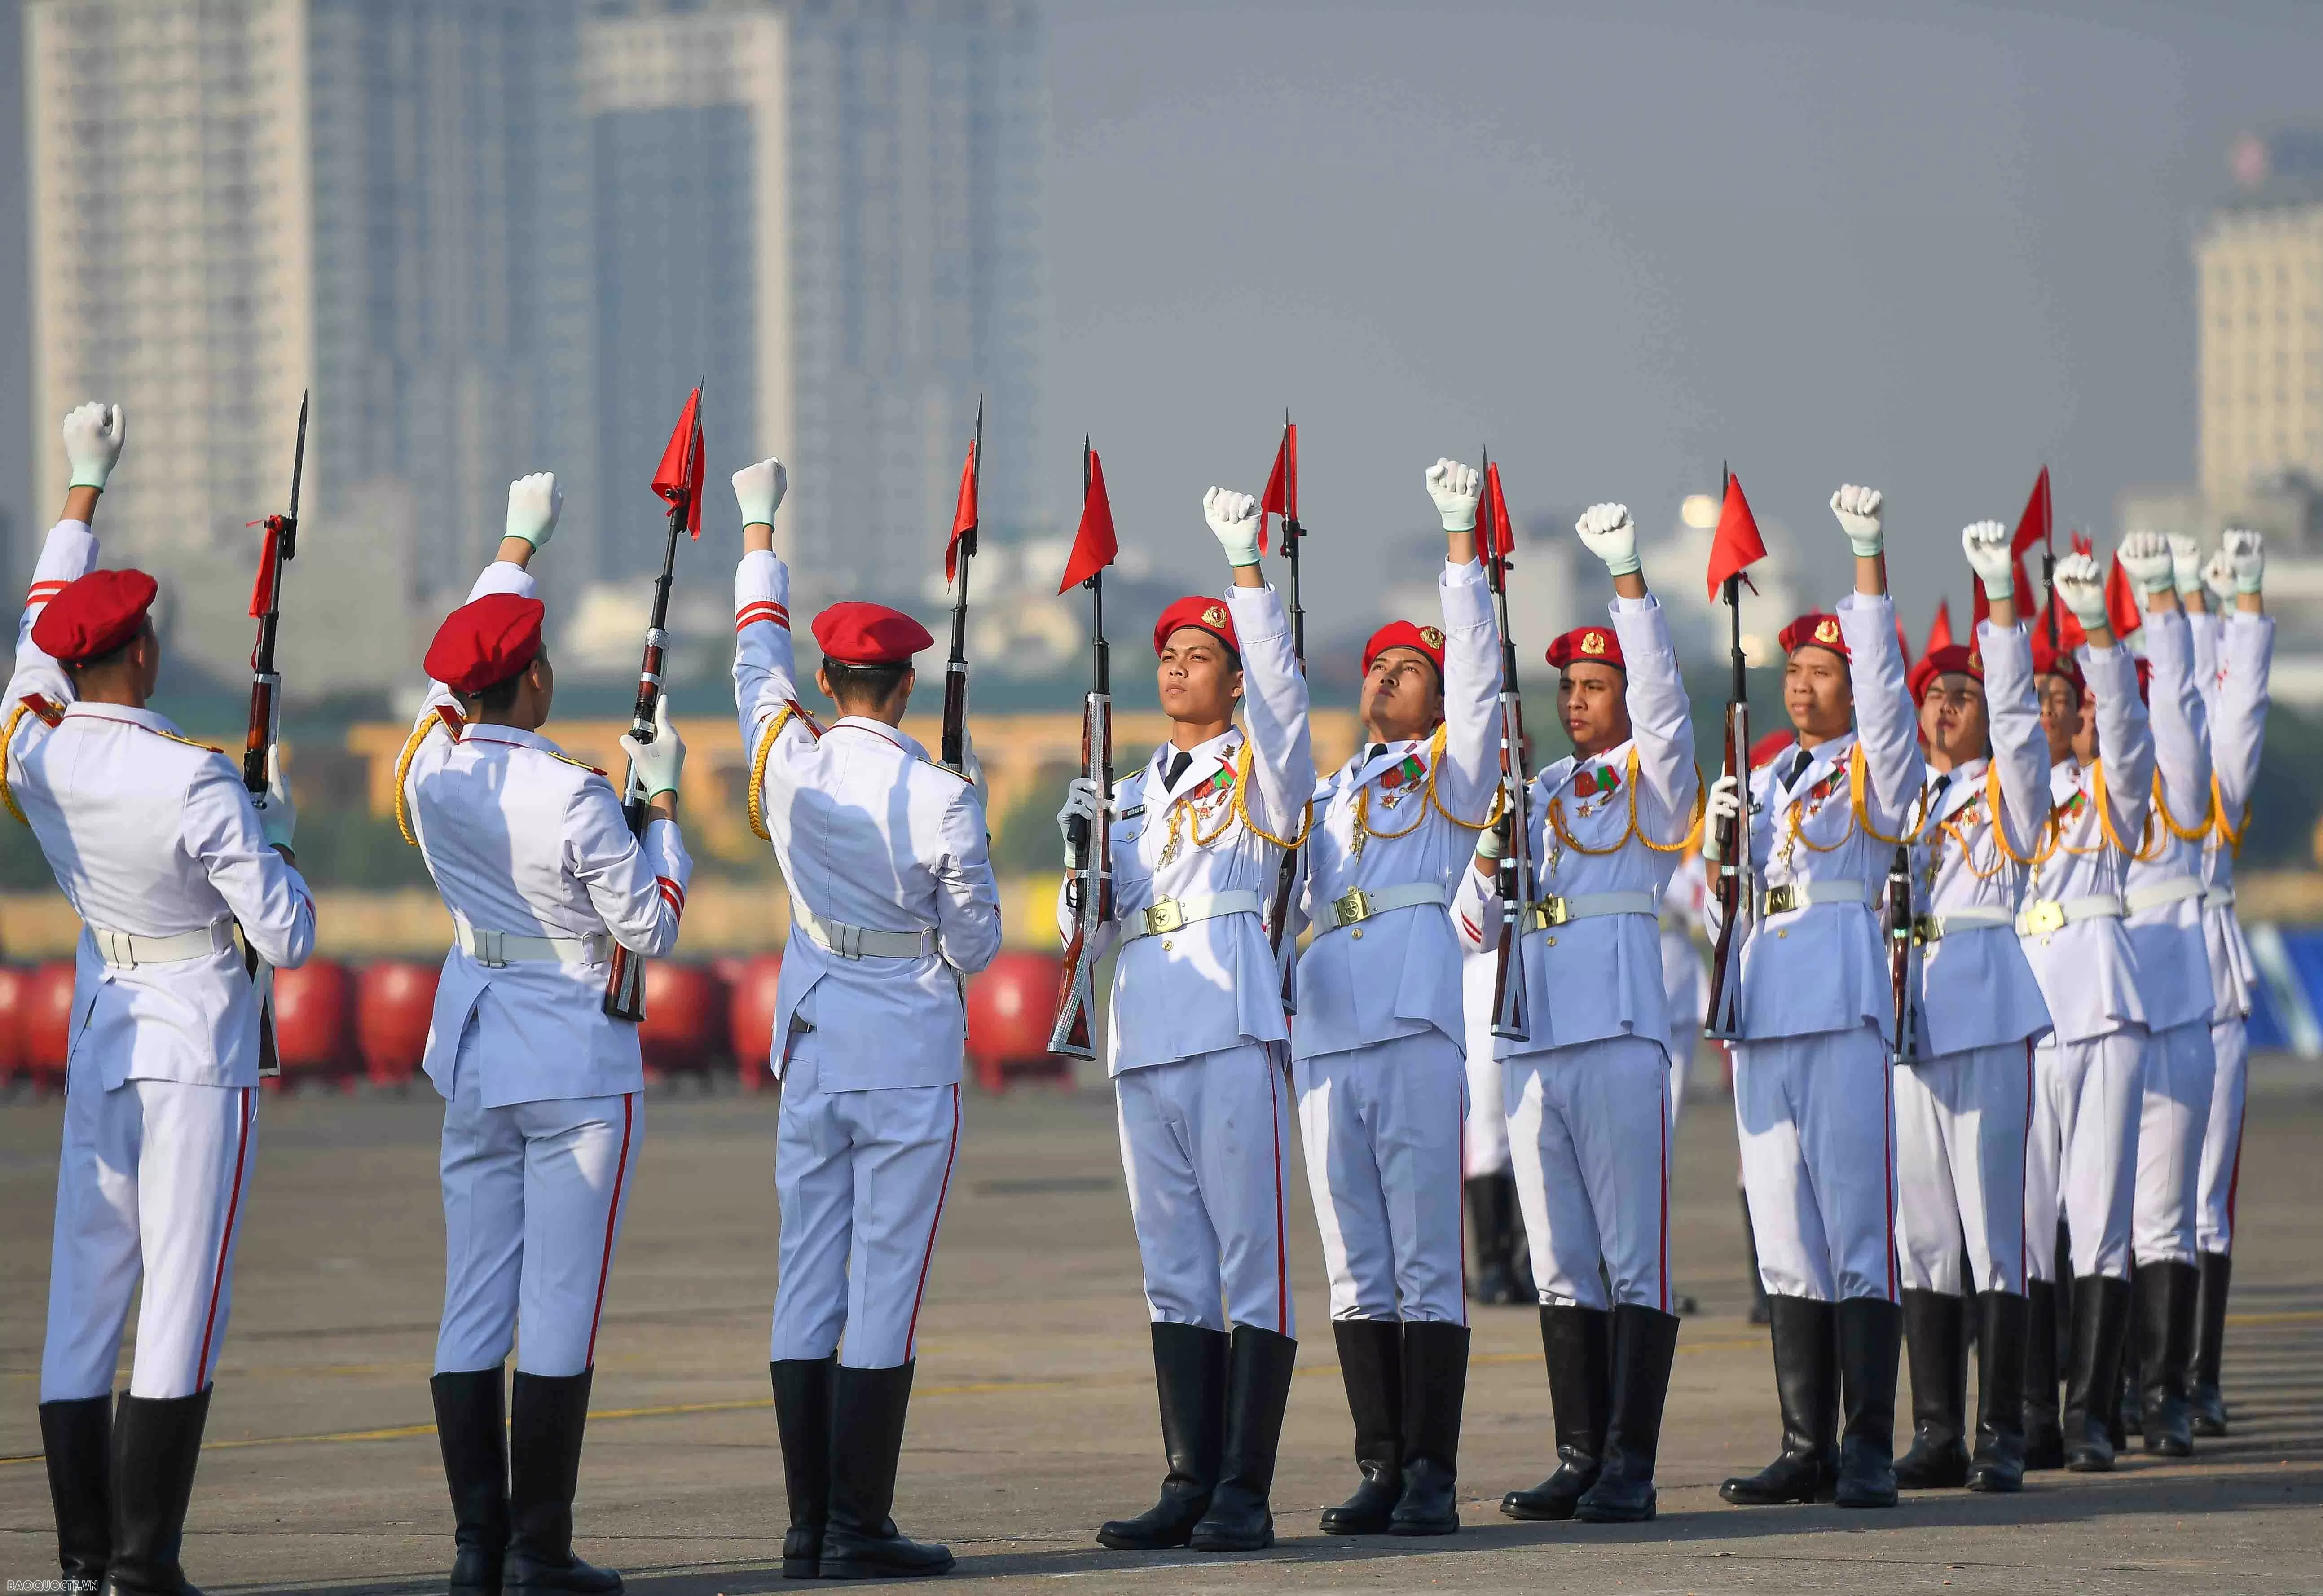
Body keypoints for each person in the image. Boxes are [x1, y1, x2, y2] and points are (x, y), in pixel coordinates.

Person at [6, 404, 314, 1595]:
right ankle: (147, 1559)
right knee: (181, 1296)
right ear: (139, 654)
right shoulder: (192, 779)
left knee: (84, 1300)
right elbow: (284, 932)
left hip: (103, 1036)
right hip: (193, 1044)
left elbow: (37, 640)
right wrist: (271, 834)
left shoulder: (33, 751)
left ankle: (87, 1559)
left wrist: (81, 494)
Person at [397, 473, 693, 1596]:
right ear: (534, 677)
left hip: (476, 1041)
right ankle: (539, 1546)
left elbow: (447, 671)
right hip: (571, 1053)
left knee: (473, 1297)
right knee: (559, 1300)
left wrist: (516, 542)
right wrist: (657, 812)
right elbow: (650, 926)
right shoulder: (573, 796)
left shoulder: (429, 767)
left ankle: (477, 1545)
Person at [731, 460, 1003, 1580]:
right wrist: (964, 800)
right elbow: (976, 944)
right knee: (883, 1277)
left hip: (816, 1036)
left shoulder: (787, 760)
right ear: (901, 683)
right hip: (903, 1047)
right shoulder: (940, 793)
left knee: (807, 1273)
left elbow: (756, 658)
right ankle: (860, 1521)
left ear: (833, 678)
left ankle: (805, 1524)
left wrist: (760, 525)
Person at [1055, 487, 1314, 1555]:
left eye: (1201, 655)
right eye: (1170, 654)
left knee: (1250, 1256)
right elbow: (1095, 933)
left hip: (1229, 1024)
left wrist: (1244, 567)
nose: (1176, 668)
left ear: (1236, 676)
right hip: (1147, 1031)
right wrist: (1081, 858)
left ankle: (1244, 1488)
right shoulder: (1133, 789)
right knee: (1172, 1266)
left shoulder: (1261, 769)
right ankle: (1187, 1475)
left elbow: (1290, 713)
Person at [1453, 501, 1702, 1525]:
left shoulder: (1652, 783)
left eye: (1597, 684)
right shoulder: (1536, 785)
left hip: (1619, 1034)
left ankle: (1630, 1463)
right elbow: (1473, 924)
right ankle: (1579, 1452)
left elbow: (1673, 713)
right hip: (1535, 1039)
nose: (1579, 697)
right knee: (1558, 1254)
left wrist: (1631, 584)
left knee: (1632, 1251)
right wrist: (1490, 839)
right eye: (1570, 684)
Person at [1292, 460, 1498, 1537]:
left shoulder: (1455, 778)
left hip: (1416, 1015)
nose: (1385, 681)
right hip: (1330, 1023)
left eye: (1408, 669)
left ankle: (1433, 1469)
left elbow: (1479, 691)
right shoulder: (1326, 792)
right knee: (1354, 1262)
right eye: (1377, 668)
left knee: (1424, 1255)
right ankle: (1380, 1462)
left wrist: (1460, 548)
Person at [1709, 485, 1920, 1512]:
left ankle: (1868, 1442)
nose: (1802, 685)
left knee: (1853, 1224)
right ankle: (1805, 1440)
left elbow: (1886, 696)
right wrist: (1717, 839)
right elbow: (1702, 890)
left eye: (1821, 669)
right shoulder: (1765, 772)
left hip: (1838, 997)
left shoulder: (1881, 768)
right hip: (1764, 998)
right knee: (1786, 1228)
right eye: (1792, 669)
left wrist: (1868, 560)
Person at [1886, 519, 2054, 1496]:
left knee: (1996, 1225)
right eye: (1934, 697)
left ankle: (2001, 1429)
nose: (1945, 711)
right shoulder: (1900, 798)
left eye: (1962, 697)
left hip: (1986, 1002)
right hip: (1913, 1012)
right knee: (1923, 1232)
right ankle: (1937, 1426)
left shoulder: (2010, 788)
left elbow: (2025, 720)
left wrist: (2000, 605)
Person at [2015, 549, 2154, 1475]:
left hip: (2099, 998)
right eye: (2029, 695)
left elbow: (2135, 740)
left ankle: (2094, 1410)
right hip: (2020, 1008)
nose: (2042, 708)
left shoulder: (2112, 783)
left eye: (2056, 694)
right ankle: (2032, 1409)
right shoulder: (1996, 794)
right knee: (2022, 1222)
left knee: (2098, 1216)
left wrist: (2095, 635)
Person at [2112, 531, 2216, 1458]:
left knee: (2164, 1215)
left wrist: (2158, 606)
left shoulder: (2176, 785)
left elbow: (2180, 707)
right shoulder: (2076, 791)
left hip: (2176, 1002)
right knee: (2082, 1221)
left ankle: (2167, 1390)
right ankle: (2093, 1397)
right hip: (2094, 1011)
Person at [2182, 531, 2270, 1437]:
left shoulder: (2214, 784)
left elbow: (2240, 706)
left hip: (2208, 977)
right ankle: (2127, 1379)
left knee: (2202, 1197)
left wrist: (2243, 603)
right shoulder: (2126, 771)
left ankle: (2192, 1377)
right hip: (2128, 987)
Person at [1461, 945, 1526, 1305]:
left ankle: (1523, 1260)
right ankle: (1492, 1264)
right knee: (1488, 1135)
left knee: (1537, 1135)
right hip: (1483, 993)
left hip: (1537, 991)